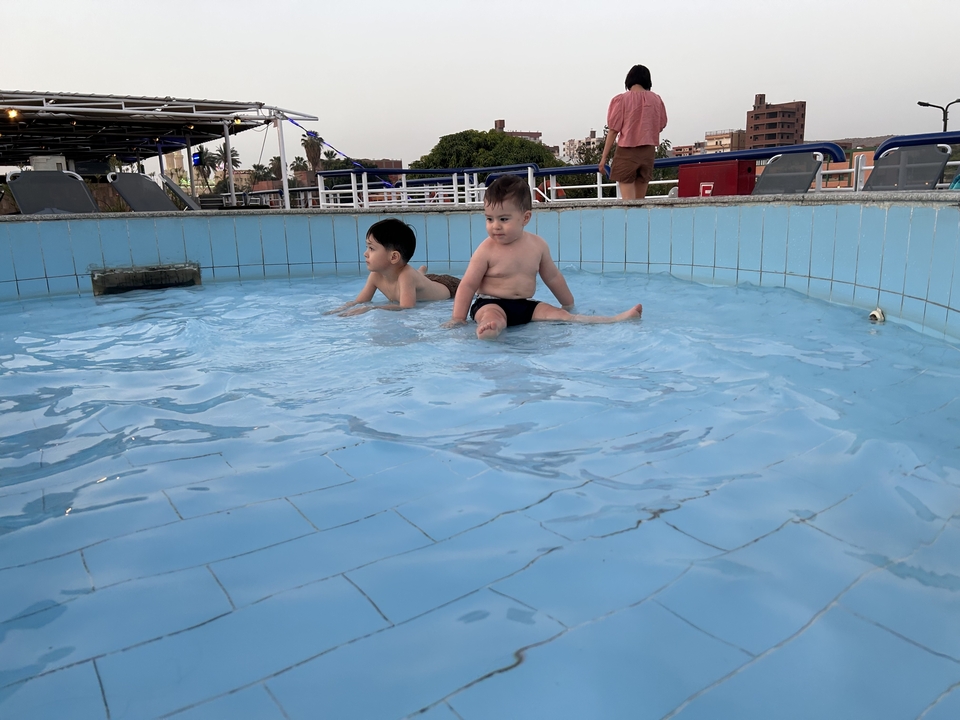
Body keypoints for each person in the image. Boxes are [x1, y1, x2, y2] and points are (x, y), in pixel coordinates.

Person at [447, 175, 642, 340]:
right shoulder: (486, 249)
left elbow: (553, 277)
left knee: (562, 316)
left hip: (525, 305)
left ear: (525, 218)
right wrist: (458, 318)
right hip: (490, 303)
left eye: (503, 219)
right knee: (494, 318)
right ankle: (492, 329)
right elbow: (468, 285)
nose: (495, 226)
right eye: (489, 219)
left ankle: (613, 320)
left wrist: (568, 304)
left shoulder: (537, 245)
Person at [326, 218, 460, 316]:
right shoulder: (375, 275)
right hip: (424, 281)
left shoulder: (406, 276)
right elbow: (360, 301)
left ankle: (421, 273)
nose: (365, 253)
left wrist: (373, 309)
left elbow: (407, 307)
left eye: (371, 248)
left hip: (449, 286)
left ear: (394, 257)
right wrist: (340, 309)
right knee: (420, 278)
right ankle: (421, 273)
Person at [598, 64, 667, 201]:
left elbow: (613, 130)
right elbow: (661, 124)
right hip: (648, 151)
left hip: (627, 151)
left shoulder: (621, 100)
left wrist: (603, 158)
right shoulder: (656, 100)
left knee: (629, 203)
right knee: (640, 202)